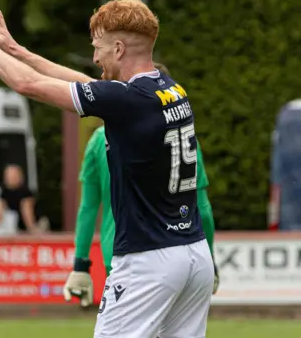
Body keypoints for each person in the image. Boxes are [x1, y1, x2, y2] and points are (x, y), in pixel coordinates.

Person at [0, 0, 214, 337]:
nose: (96, 57)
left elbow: (26, 84)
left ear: (119, 49)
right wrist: (16, 49)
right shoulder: (169, 90)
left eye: (99, 48)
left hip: (148, 259)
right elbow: (87, 85)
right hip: (194, 255)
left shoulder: (126, 100)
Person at [62, 62, 220, 308]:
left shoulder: (98, 140)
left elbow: (89, 208)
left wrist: (81, 264)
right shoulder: (185, 136)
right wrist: (209, 258)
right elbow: (203, 207)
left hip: (120, 251)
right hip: (179, 250)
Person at [0, 164, 48, 235]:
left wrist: (32, 229)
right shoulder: (4, 193)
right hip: (21, 224)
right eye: (8, 176)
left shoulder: (25, 193)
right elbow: (0, 213)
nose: (9, 178)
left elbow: (27, 212)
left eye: (12, 176)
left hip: (38, 221)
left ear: (19, 177)